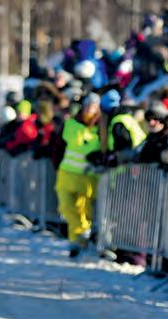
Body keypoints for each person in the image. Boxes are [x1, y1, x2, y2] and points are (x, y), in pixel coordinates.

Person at [53, 93, 102, 257]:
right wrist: (56, 164)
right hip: (66, 173)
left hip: (87, 177)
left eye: (93, 106)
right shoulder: (70, 124)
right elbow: (59, 146)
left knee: (82, 211)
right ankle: (81, 233)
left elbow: (105, 149)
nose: (89, 109)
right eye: (88, 105)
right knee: (66, 207)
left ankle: (76, 243)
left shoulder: (100, 127)